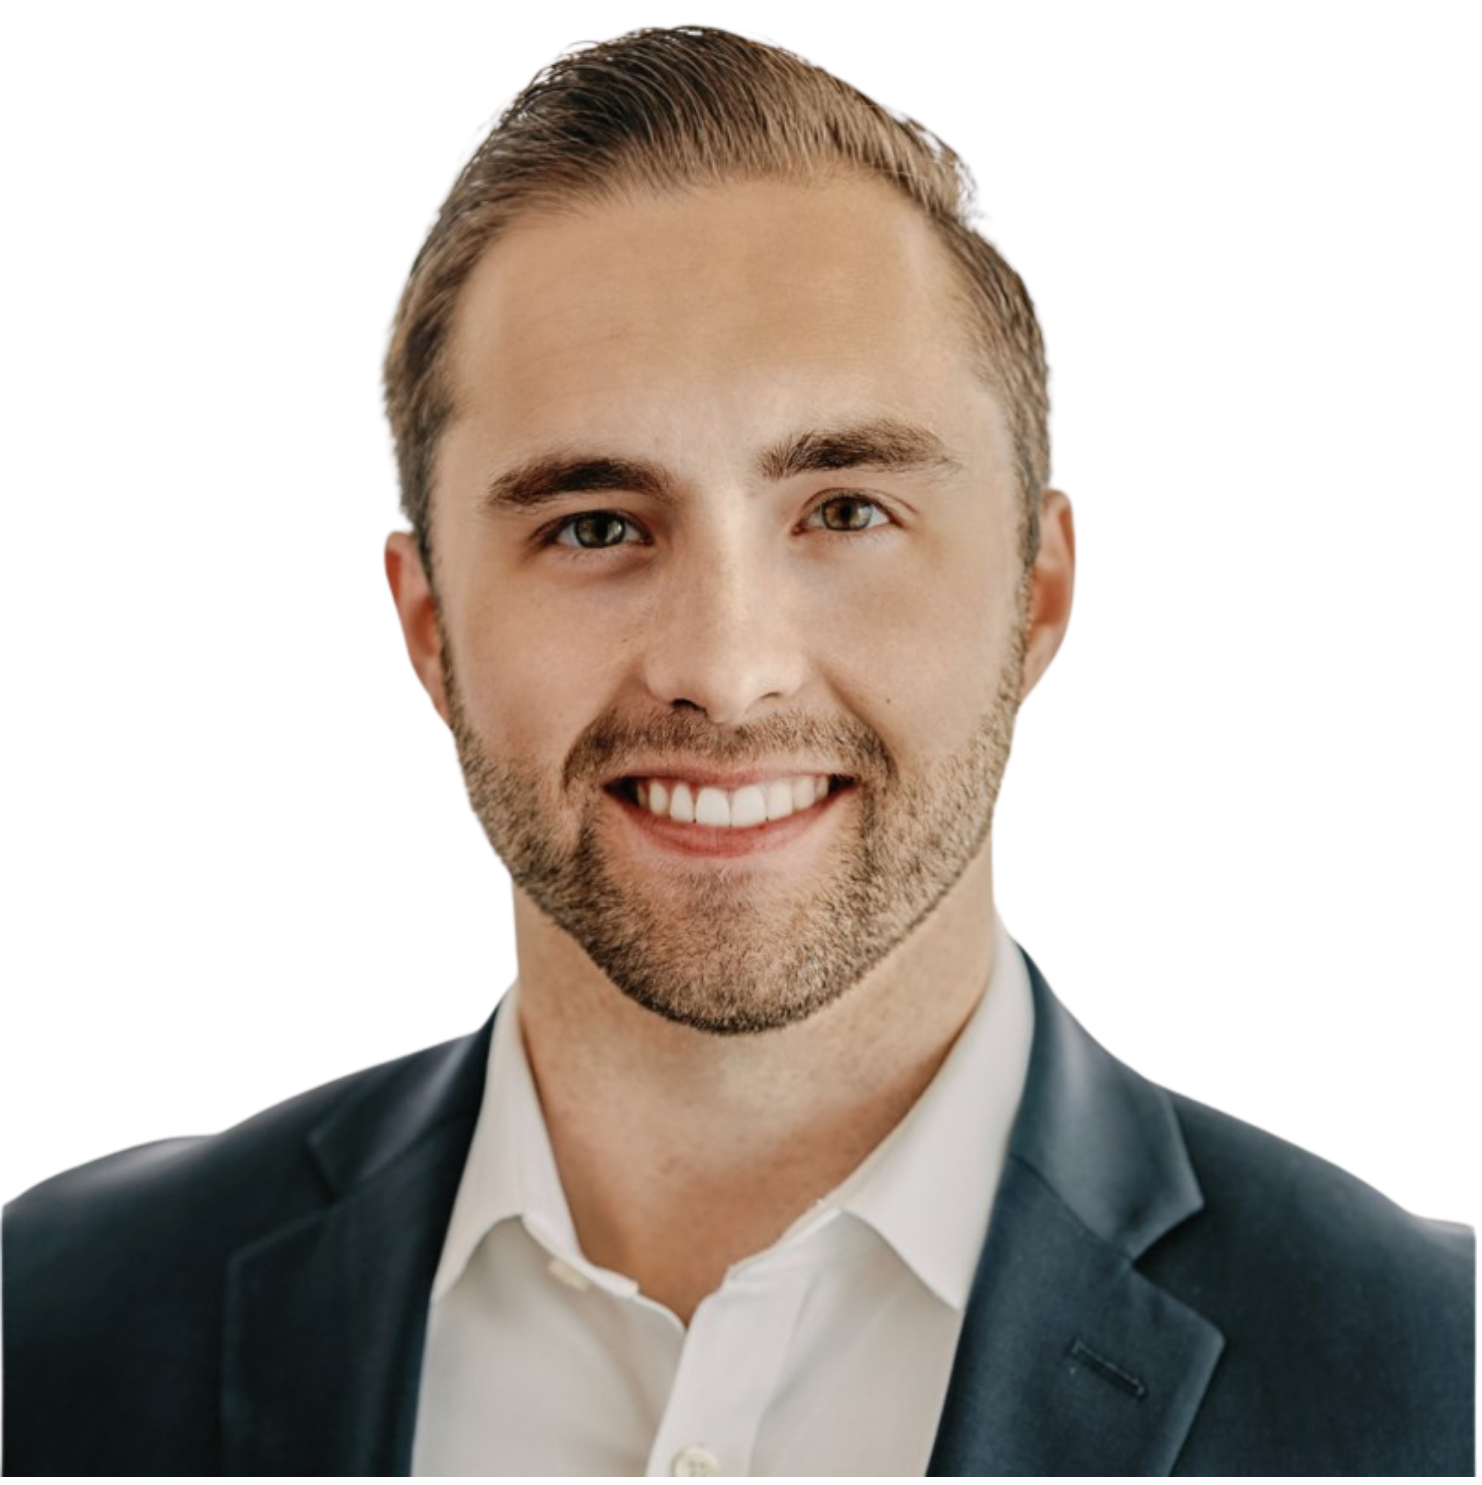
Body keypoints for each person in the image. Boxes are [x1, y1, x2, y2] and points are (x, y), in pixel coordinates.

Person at [3, 25, 1472, 1478]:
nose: (721, 666)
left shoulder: (1433, 1380)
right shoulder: (54, 1328)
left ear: (1035, 597)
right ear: (430, 628)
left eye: (843, 510)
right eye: (592, 526)